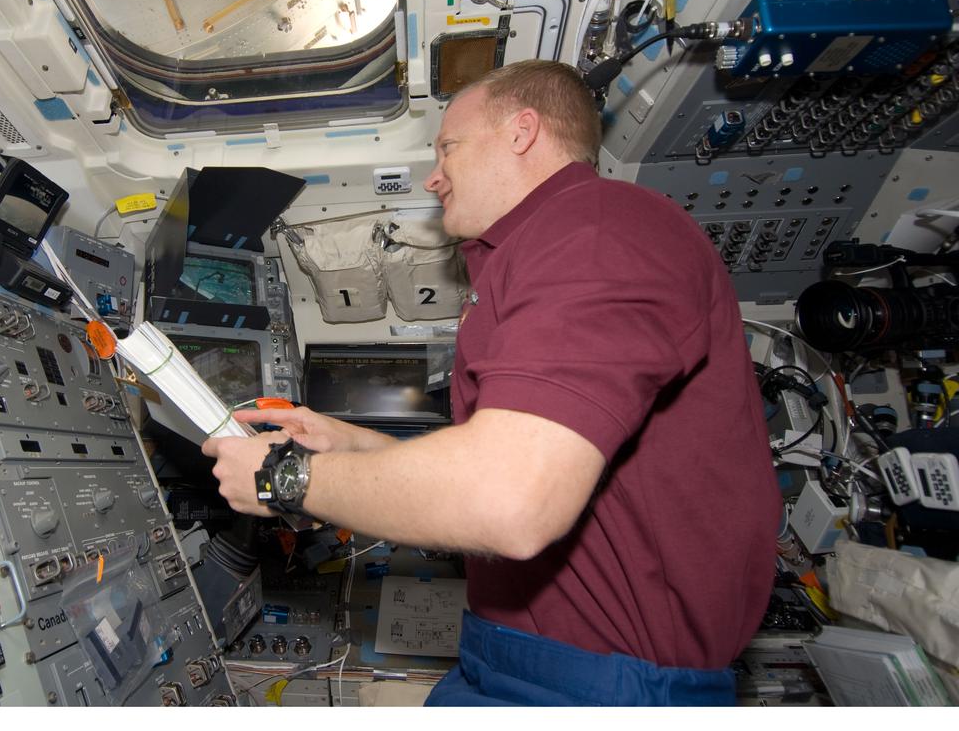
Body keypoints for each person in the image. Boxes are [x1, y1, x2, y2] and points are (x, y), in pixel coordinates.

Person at [202, 60, 781, 706]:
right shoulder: (543, 249)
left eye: (448, 146)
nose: (433, 174)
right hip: (525, 657)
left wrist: (282, 478)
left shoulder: (594, 232)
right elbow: (510, 471)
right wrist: (350, 444)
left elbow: (508, 499)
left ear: (522, 131)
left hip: (604, 683)